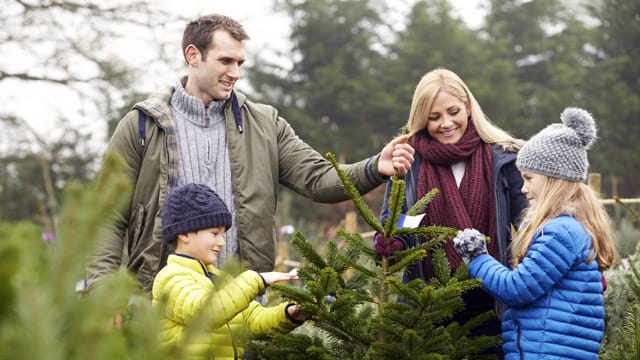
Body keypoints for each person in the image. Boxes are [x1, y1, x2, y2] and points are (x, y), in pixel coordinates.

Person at [87, 13, 414, 293]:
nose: (236, 73)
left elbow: (318, 178)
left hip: (242, 306)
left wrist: (375, 167)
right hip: (160, 310)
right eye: (226, 61)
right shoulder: (142, 126)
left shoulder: (265, 124)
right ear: (193, 55)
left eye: (240, 62)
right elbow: (106, 217)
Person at [373, 68, 527, 355]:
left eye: (453, 111)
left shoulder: (503, 158)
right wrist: (393, 240)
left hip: (492, 307)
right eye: (434, 117)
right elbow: (402, 220)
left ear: (468, 106)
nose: (446, 123)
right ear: (421, 118)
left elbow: (534, 223)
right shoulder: (409, 161)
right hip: (428, 310)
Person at [453, 107, 617, 359]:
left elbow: (516, 288)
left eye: (529, 178)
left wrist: (477, 257)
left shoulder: (559, 232)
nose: (524, 189)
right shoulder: (571, 227)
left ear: (553, 179)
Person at [153, 183, 305, 359]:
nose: (221, 242)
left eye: (223, 234)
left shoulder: (221, 278)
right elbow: (206, 313)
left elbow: (251, 320)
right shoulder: (170, 278)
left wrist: (290, 313)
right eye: (214, 233)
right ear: (184, 234)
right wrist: (256, 279)